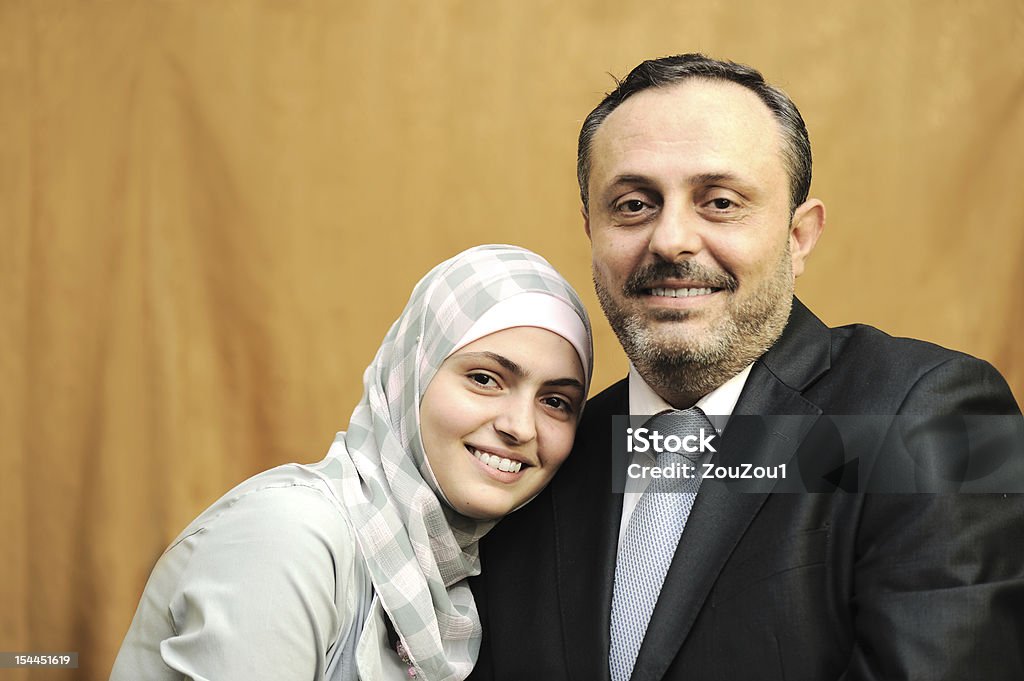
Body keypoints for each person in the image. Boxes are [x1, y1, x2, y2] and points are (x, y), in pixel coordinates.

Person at [468, 55, 1024, 680]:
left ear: (799, 235)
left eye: (721, 202)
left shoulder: (935, 415)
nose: (670, 239)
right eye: (631, 204)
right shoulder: (542, 457)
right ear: (591, 230)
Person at [110, 244, 593, 681]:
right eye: (485, 378)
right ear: (411, 377)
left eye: (555, 402)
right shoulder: (292, 537)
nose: (521, 427)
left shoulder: (465, 581)